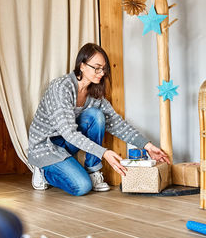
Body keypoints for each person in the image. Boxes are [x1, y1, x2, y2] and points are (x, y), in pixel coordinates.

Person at [28, 43, 170, 196]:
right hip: (46, 146)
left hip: (67, 144)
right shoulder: (61, 88)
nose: (101, 72)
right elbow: (69, 133)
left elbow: (116, 123)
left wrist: (147, 145)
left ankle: (92, 171)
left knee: (96, 115)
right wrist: (104, 153)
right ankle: (43, 171)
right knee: (81, 187)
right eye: (96, 67)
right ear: (82, 66)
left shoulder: (94, 94)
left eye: (103, 68)